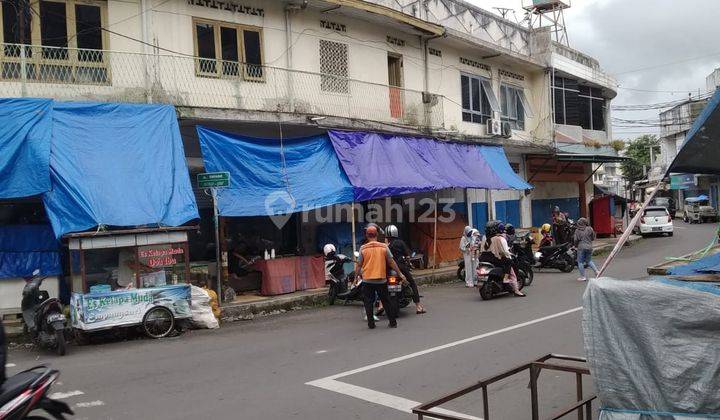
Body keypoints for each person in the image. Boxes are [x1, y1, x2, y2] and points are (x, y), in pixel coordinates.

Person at [356, 225, 406, 329]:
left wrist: (356, 277)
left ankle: (371, 324)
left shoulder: (363, 248)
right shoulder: (384, 246)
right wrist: (400, 274)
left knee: (368, 302)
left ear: (367, 235)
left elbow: (359, 264)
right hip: (381, 280)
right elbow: (391, 262)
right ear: (377, 235)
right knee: (386, 301)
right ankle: (393, 323)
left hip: (367, 280)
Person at [385, 225, 426, 315]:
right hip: (401, 267)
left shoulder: (386, 245)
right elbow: (407, 256)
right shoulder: (400, 242)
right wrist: (408, 262)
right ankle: (418, 307)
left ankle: (380, 306)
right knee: (412, 284)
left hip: (389, 268)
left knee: (382, 285)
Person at [481, 221, 525, 297]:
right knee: (512, 271)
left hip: (484, 258)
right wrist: (509, 256)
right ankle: (514, 288)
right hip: (496, 259)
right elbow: (504, 251)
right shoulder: (500, 239)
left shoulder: (484, 237)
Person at [573, 217, 599, 282]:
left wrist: (575, 246)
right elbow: (593, 237)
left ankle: (583, 277)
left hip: (581, 247)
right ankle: (596, 271)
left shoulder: (577, 230)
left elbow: (575, 240)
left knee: (580, 262)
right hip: (589, 247)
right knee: (589, 261)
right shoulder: (590, 229)